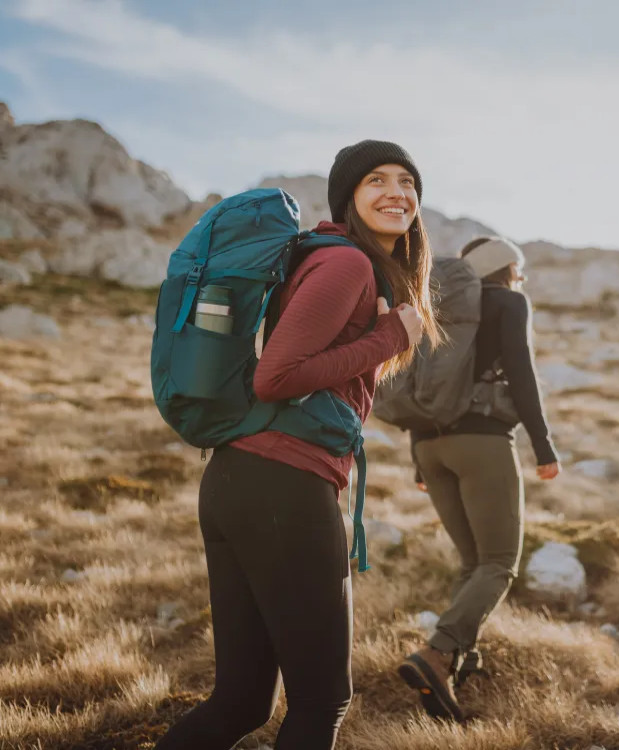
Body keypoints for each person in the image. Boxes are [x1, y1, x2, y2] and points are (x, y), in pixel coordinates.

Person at [155, 140, 438, 750]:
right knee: (321, 701)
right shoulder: (347, 265)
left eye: (407, 180)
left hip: (243, 481)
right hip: (282, 486)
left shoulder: (337, 262)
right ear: (348, 198)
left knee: (240, 704)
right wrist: (391, 335)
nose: (397, 192)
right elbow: (275, 376)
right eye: (376, 182)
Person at [396, 237, 561, 722]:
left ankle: (461, 667)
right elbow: (522, 373)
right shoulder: (508, 303)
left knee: (472, 563)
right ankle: (437, 653)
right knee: (499, 563)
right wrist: (544, 446)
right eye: (517, 268)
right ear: (503, 269)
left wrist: (416, 457)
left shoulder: (438, 304)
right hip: (482, 442)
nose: (520, 278)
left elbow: (420, 384)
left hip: (429, 445)